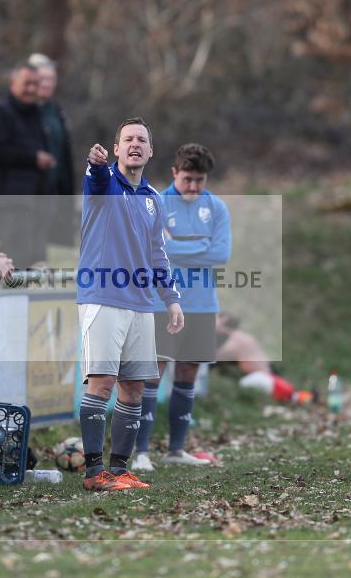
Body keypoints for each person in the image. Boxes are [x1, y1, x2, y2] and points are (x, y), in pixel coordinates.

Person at [77, 117, 183, 491]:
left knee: (134, 387)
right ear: (117, 149)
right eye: (128, 139)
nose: (135, 144)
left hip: (141, 303)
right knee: (102, 382)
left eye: (142, 139)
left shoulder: (154, 199)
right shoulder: (104, 184)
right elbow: (97, 177)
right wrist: (95, 163)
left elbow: (158, 254)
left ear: (150, 150)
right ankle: (93, 472)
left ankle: (119, 469)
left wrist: (171, 299)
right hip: (103, 298)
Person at [133, 144, 230, 472]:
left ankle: (176, 448)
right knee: (153, 373)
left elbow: (221, 254)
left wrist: (178, 246)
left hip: (202, 304)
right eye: (187, 179)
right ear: (174, 173)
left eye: (199, 180)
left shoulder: (216, 208)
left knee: (188, 372)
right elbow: (153, 249)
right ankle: (141, 451)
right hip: (163, 301)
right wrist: (198, 244)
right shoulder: (157, 203)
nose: (193, 187)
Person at [0, 62, 55, 268]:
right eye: (27, 84)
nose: (32, 89)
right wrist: (33, 158)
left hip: (38, 199)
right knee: (15, 255)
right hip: (12, 199)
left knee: (31, 257)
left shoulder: (36, 114)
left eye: (35, 84)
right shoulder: (0, 112)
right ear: (13, 83)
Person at [28, 53, 76, 248]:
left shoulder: (56, 110)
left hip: (54, 189)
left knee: (47, 249)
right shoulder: (22, 110)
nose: (48, 84)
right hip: (30, 193)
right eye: (43, 79)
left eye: (52, 79)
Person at [215, 313, 315, 405]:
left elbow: (217, 356)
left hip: (261, 378)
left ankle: (304, 398)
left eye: (217, 320)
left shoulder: (234, 340)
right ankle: (307, 397)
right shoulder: (244, 337)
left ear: (223, 323)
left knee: (240, 386)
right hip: (269, 376)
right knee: (290, 395)